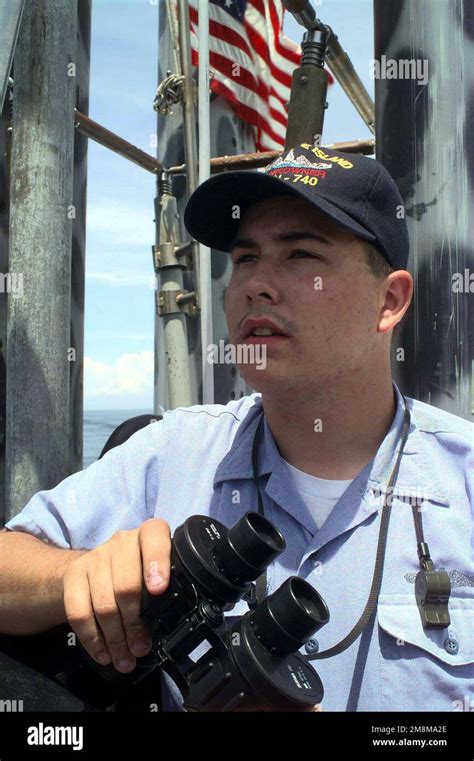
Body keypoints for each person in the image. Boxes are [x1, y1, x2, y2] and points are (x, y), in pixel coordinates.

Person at [1, 144, 472, 712]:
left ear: (389, 301)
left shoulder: (462, 479)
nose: (256, 285)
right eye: (245, 259)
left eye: (300, 255)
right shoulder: (171, 452)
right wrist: (82, 574)